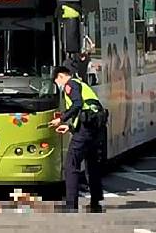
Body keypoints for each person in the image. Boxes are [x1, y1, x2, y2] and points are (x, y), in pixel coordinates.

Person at [48, 66, 108, 213]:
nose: (58, 85)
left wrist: (61, 119)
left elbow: (77, 105)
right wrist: (70, 128)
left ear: (61, 76)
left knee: (71, 165)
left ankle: (71, 204)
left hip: (86, 130)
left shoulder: (70, 84)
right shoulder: (82, 84)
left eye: (56, 82)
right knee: (92, 164)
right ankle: (95, 201)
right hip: (95, 128)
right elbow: (85, 111)